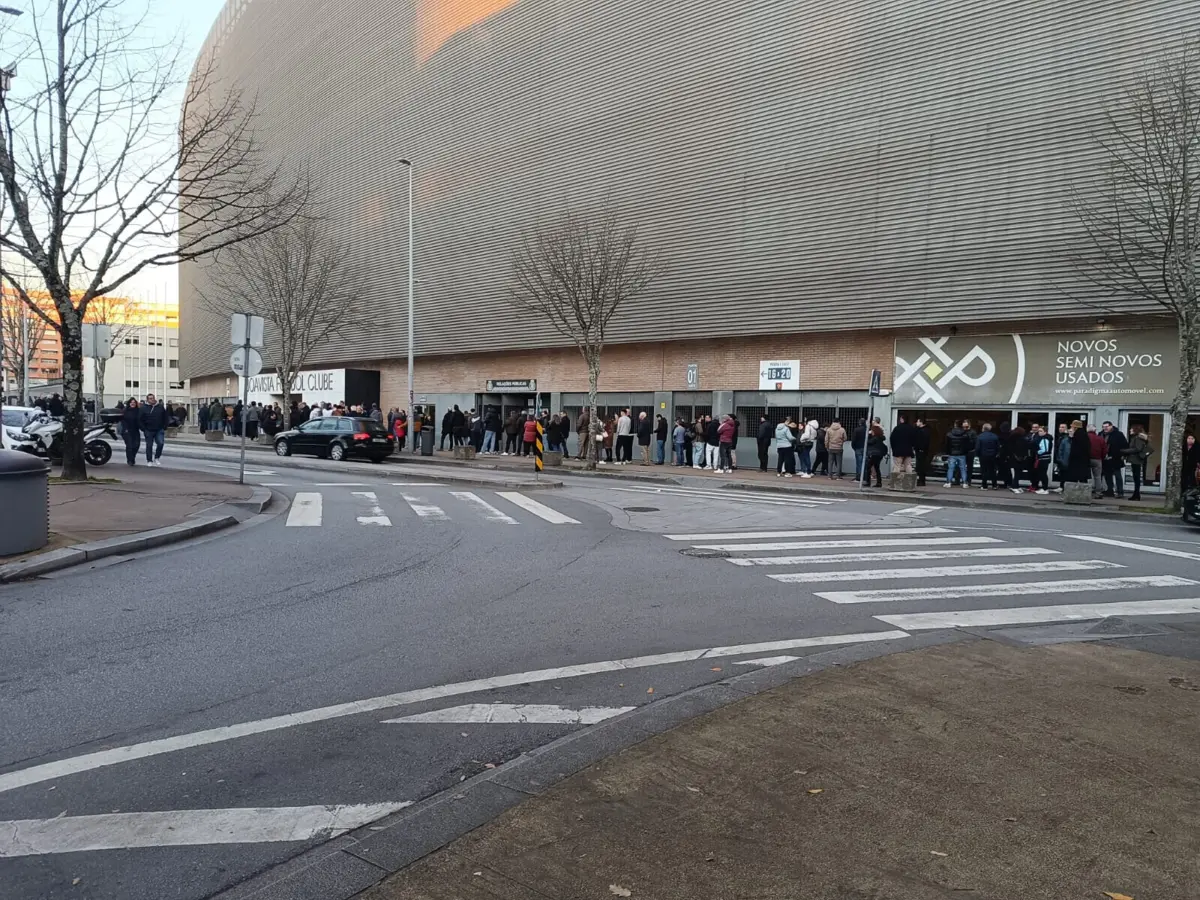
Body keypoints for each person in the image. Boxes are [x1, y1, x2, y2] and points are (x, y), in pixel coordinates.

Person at [137, 392, 169, 466]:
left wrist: (165, 426)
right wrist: (143, 428)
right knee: (149, 445)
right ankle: (149, 460)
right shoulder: (143, 408)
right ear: (147, 400)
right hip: (148, 429)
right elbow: (139, 419)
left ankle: (157, 457)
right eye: (150, 399)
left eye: (153, 398)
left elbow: (165, 417)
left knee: (161, 443)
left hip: (159, 429)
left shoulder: (160, 407)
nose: (152, 400)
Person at [1124, 424, 1152, 502]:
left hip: (1136, 460)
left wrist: (1125, 451)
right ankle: (1136, 494)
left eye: (1131, 429)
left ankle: (1136, 494)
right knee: (1136, 478)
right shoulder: (1138, 438)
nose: (1130, 430)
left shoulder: (1137, 438)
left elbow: (1137, 449)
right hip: (1137, 460)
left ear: (1135, 430)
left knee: (1136, 478)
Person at [1101, 421, 1128, 498]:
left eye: (1106, 426)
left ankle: (1120, 492)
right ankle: (1110, 490)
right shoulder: (1101, 434)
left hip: (1115, 458)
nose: (1105, 428)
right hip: (1105, 458)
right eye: (1103, 427)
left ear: (1111, 426)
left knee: (1117, 475)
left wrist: (1121, 455)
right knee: (1107, 475)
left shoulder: (1118, 434)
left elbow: (1124, 445)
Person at [943, 421, 970, 487]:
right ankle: (964, 483)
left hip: (952, 454)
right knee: (963, 469)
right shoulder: (965, 434)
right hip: (962, 454)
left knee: (951, 468)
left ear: (955, 425)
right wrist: (965, 452)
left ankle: (948, 482)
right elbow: (967, 445)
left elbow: (947, 445)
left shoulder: (949, 434)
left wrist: (948, 452)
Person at [974, 423, 1001, 489]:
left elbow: (977, 447)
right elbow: (998, 447)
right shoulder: (995, 436)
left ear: (983, 428)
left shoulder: (980, 436)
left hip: (983, 456)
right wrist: (997, 454)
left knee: (984, 471)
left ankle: (984, 485)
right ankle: (994, 485)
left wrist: (977, 455)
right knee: (993, 471)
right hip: (992, 456)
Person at [1029, 424, 1053, 494]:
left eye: (1041, 431)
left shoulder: (1045, 439)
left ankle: (1045, 488)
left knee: (1043, 473)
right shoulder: (1043, 438)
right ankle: (1044, 487)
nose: (1039, 432)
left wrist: (1037, 452)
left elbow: (1044, 449)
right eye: (1039, 431)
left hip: (1043, 458)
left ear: (1045, 432)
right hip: (1042, 458)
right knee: (1041, 473)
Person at [1067, 420, 1092, 486]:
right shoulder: (1083, 434)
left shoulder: (1078, 434)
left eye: (1072, 426)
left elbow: (1076, 447)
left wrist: (1071, 437)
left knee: (1076, 476)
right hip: (1082, 459)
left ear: (1075, 427)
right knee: (1082, 477)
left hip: (1078, 460)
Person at [1006, 425, 1028, 492]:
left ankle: (1016, 485)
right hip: (1020, 458)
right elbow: (1023, 449)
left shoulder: (1011, 438)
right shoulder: (1022, 439)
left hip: (1013, 458)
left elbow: (1010, 448)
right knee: (1018, 473)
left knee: (1016, 473)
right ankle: (1015, 486)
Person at [1086, 424, 1106, 499]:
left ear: (1087, 430)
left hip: (1086, 459)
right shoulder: (1100, 438)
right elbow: (1105, 450)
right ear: (1095, 430)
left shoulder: (1085, 438)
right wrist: (1102, 457)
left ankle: (1086, 491)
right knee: (1097, 477)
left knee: (1086, 476)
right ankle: (1098, 492)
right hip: (1097, 459)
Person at [120, 398, 141, 465]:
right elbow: (122, 421)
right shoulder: (125, 411)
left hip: (135, 430)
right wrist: (125, 428)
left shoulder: (138, 411)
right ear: (129, 403)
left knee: (137, 445)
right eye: (131, 402)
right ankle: (130, 460)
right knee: (130, 446)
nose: (133, 403)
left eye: (134, 402)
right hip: (127, 430)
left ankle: (132, 457)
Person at [913, 418, 931, 486]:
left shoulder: (924, 431)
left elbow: (923, 441)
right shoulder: (923, 430)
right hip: (921, 450)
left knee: (921, 466)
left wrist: (920, 448)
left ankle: (921, 480)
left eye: (918, 421)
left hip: (921, 450)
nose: (916, 423)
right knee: (920, 465)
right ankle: (921, 480)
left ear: (921, 422)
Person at [1054, 423, 1072, 492]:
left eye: (1063, 427)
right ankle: (1061, 486)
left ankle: (1063, 487)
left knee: (1064, 473)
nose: (1061, 428)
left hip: (1064, 458)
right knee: (1061, 473)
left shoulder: (1066, 438)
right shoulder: (1060, 436)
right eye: (1060, 427)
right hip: (1060, 457)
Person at [962, 419, 978, 485]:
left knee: (969, 467)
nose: (964, 427)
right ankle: (960, 480)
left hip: (970, 451)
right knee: (961, 466)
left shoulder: (973, 432)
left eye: (966, 426)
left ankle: (968, 480)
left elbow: (975, 442)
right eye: (963, 426)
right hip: (963, 451)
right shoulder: (961, 431)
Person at [851, 418, 867, 483]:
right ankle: (865, 477)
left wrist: (854, 447)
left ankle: (859, 477)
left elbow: (854, 440)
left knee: (859, 463)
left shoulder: (857, 430)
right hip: (866, 448)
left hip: (858, 448)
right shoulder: (867, 430)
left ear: (859, 423)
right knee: (865, 463)